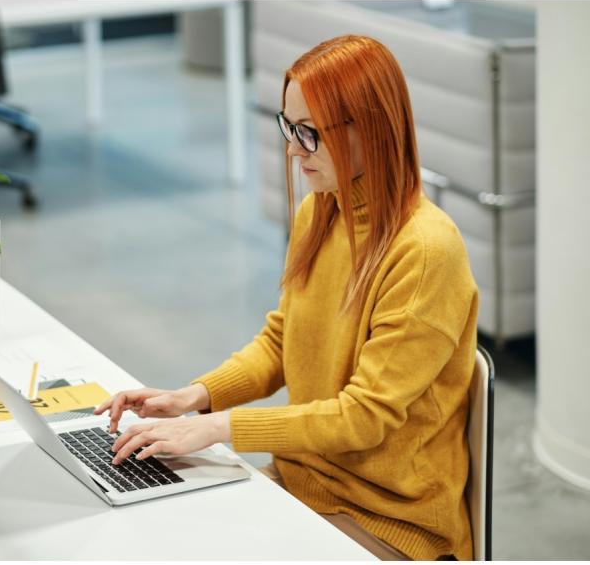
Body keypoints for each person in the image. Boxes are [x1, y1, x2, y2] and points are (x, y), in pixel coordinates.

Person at [94, 34, 478, 561]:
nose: (293, 149)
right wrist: (194, 397)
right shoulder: (321, 212)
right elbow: (284, 340)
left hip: (390, 519)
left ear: (371, 128)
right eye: (287, 126)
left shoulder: (427, 251)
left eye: (309, 133)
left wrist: (217, 428)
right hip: (303, 482)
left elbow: (363, 417)